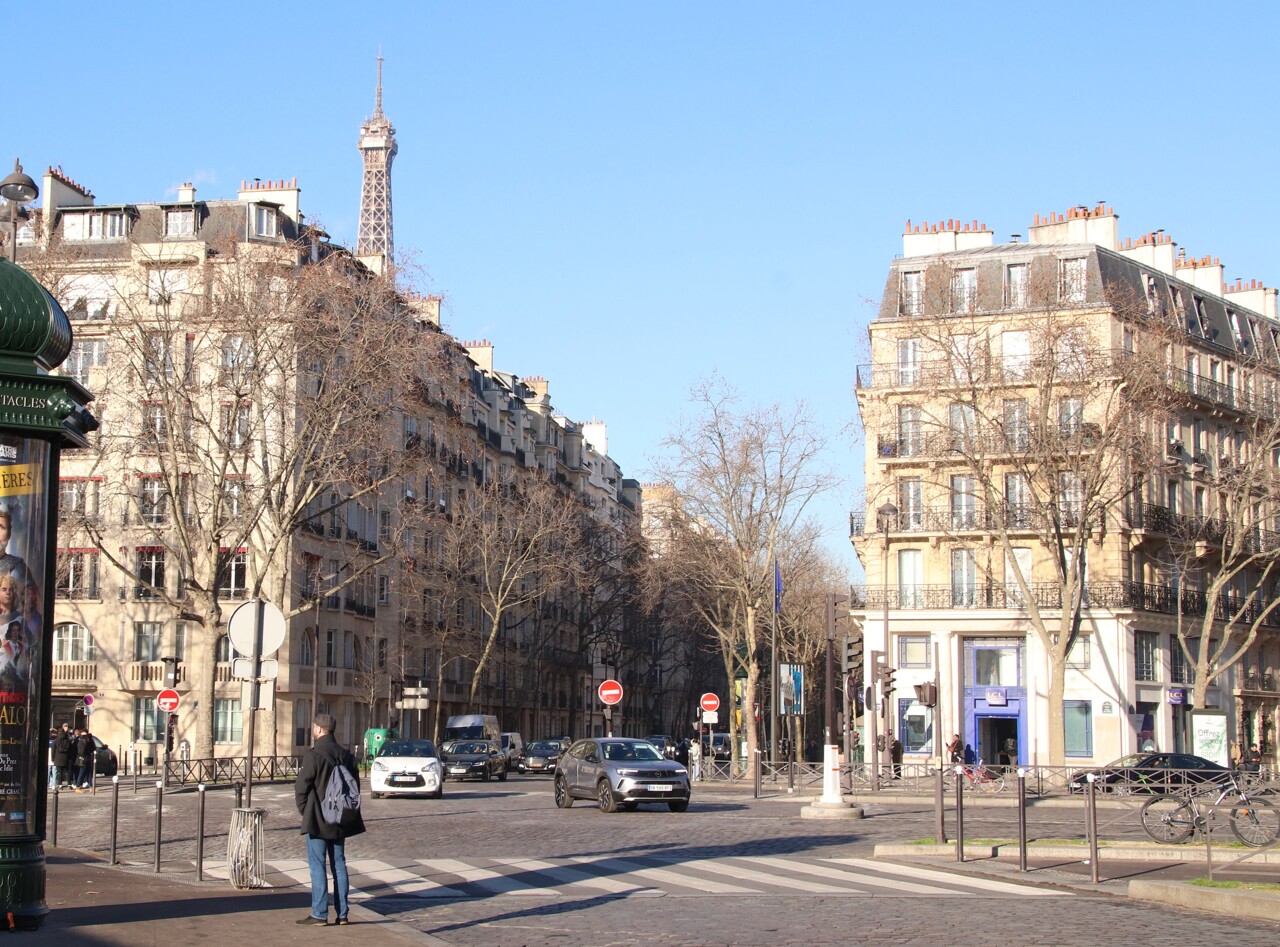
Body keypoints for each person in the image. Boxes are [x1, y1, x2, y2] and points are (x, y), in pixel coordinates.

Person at [295, 712, 364, 926]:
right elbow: (355, 787)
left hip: (318, 818)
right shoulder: (345, 755)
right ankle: (342, 914)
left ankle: (319, 913)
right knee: (339, 864)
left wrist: (305, 811)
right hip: (340, 817)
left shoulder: (314, 755)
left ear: (318, 729)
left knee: (317, 866)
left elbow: (301, 788)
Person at [52, 724, 74, 788]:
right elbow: (71, 749)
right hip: (66, 757)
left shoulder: (56, 740)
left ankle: (60, 784)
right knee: (67, 771)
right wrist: (70, 757)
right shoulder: (67, 740)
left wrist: (52, 758)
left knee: (59, 772)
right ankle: (69, 784)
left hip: (58, 758)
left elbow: (53, 750)